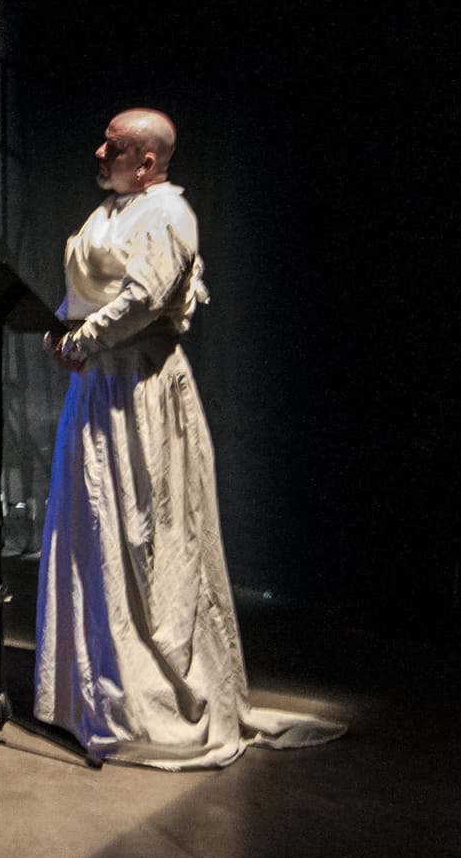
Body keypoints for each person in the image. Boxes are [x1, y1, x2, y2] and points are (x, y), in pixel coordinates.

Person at [36, 108, 345, 768]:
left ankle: (154, 700)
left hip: (141, 395)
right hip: (95, 394)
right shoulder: (106, 214)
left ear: (147, 160)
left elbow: (145, 298)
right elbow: (85, 293)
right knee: (93, 534)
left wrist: (82, 339)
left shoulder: (169, 213)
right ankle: (93, 695)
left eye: (113, 146)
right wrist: (58, 330)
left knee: (146, 537)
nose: (99, 152)